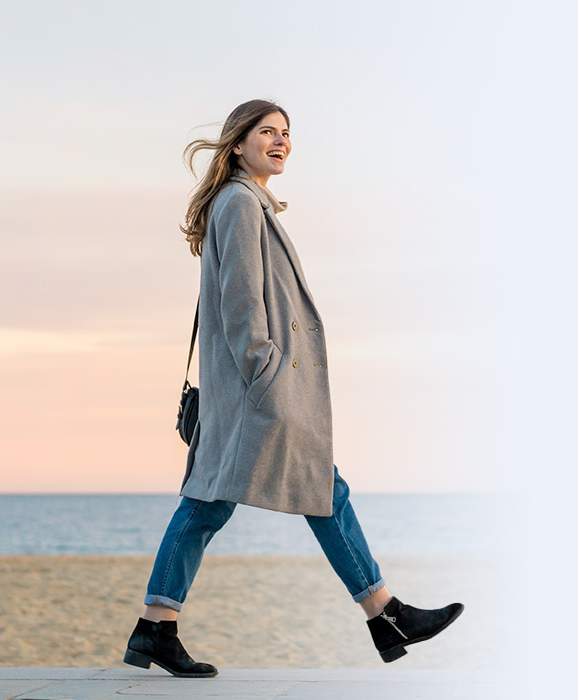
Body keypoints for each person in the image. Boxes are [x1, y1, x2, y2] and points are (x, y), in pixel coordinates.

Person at [123, 99, 464, 678]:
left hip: (253, 392)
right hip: (261, 393)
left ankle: (157, 627)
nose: (280, 142)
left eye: (286, 134)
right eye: (267, 133)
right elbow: (239, 303)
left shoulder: (247, 202)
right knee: (303, 492)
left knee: (225, 500)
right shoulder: (239, 204)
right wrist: (269, 376)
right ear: (237, 144)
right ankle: (385, 613)